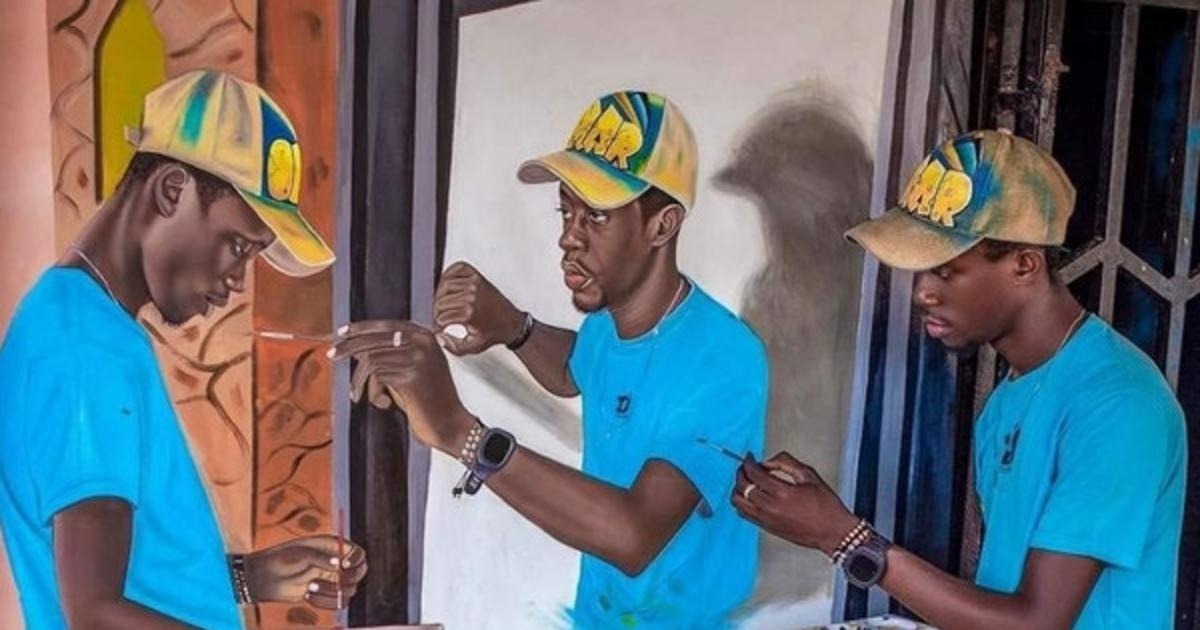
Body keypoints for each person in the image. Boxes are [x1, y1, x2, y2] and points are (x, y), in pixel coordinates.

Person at [332, 91, 767, 628]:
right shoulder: (611, 322)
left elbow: (634, 535)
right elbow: (577, 370)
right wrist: (514, 328)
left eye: (596, 217)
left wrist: (461, 434)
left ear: (662, 225)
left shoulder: (724, 358)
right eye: (567, 211)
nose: (568, 238)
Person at [732, 129, 1186, 629]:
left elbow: (1036, 623)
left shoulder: (1118, 405)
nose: (921, 293)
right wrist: (830, 524)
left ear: (1024, 265)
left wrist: (843, 538)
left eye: (945, 272)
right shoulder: (1011, 397)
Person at [0, 70, 367, 629]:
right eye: (237, 245)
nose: (238, 280)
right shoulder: (84, 350)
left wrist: (247, 578)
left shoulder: (84, 322)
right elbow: (95, 614)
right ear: (172, 190)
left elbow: (119, 575)